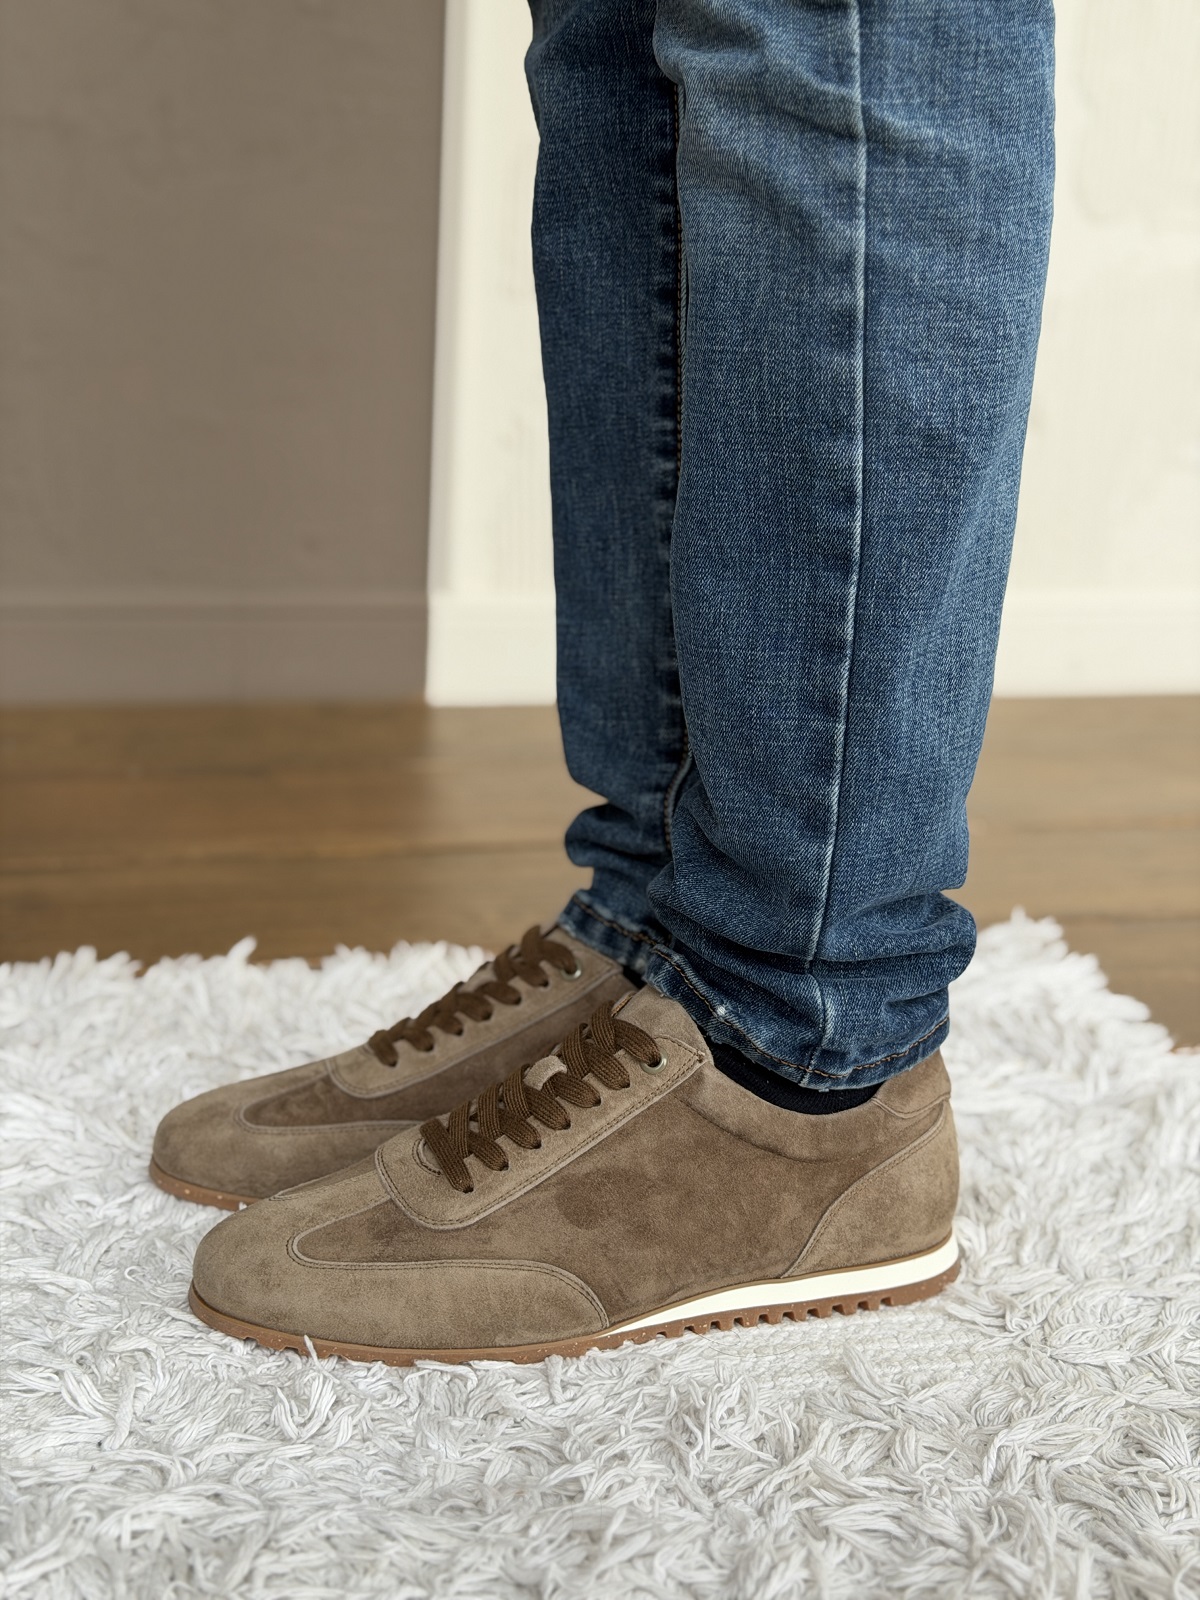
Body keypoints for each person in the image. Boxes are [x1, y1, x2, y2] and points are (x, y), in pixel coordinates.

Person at [154, 0, 1054, 1363]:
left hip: (806, 1039)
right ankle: (655, 932)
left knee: (832, 39)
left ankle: (801, 1049)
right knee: (619, 47)